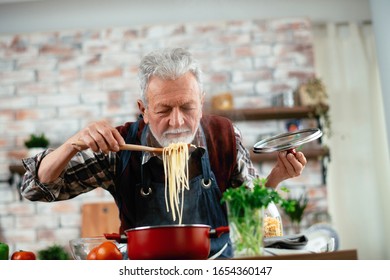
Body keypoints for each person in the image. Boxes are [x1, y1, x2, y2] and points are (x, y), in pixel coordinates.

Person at [20, 47, 307, 259]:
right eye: (163, 110)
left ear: (201, 102)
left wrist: (276, 177)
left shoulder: (224, 136)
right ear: (143, 110)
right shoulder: (118, 146)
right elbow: (35, 188)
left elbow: (251, 208)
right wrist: (73, 144)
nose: (177, 121)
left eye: (187, 107)